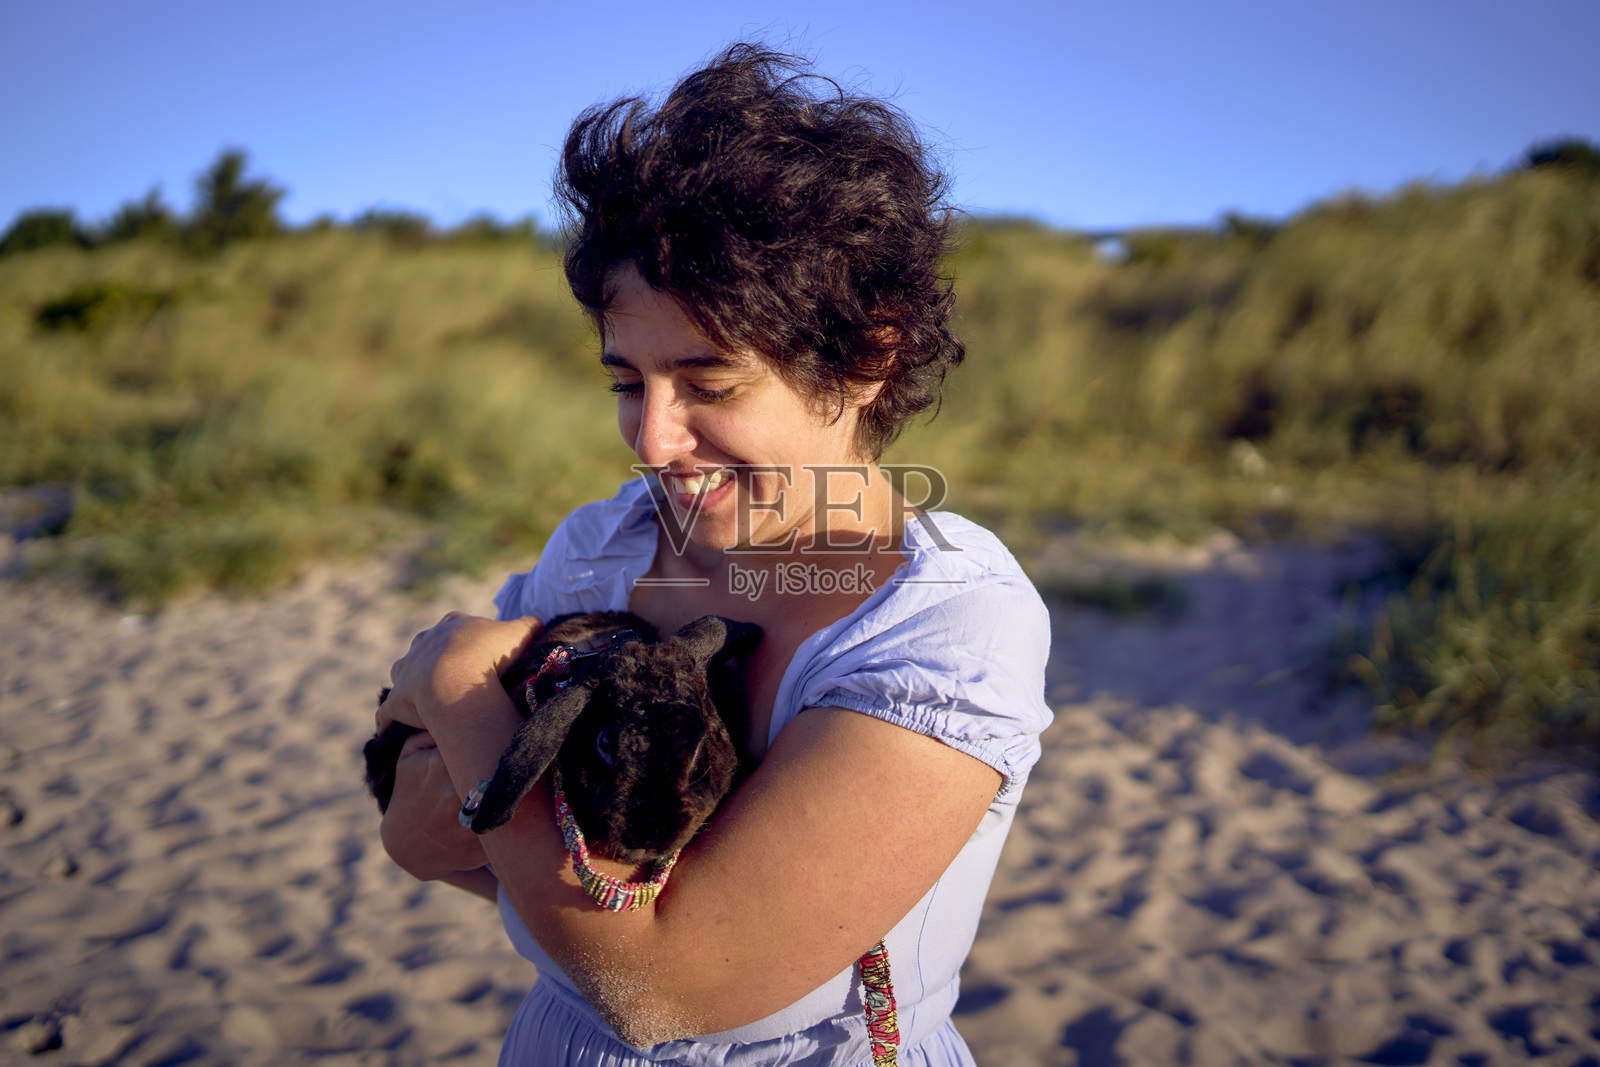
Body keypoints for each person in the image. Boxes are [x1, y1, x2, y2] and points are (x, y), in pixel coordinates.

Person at [375, 43, 1052, 1066]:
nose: (652, 439)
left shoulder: (943, 626)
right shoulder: (606, 545)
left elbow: (666, 989)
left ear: (868, 354)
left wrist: (459, 687)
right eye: (626, 382)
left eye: (709, 383)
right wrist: (476, 828)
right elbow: (415, 830)